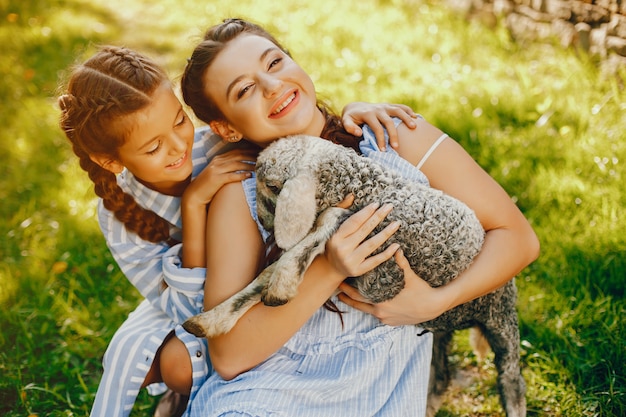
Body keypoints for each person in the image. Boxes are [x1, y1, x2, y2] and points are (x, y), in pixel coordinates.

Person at [180, 18, 540, 416]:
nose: (272, 87)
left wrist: (435, 302)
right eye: (245, 90)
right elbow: (229, 357)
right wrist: (329, 269)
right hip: (272, 389)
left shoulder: (391, 138)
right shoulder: (243, 193)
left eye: (275, 63)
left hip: (382, 387)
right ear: (226, 128)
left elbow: (518, 237)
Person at [57, 45, 420, 417]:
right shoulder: (118, 219)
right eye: (153, 148)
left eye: (179, 122)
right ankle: (187, 395)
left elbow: (296, 128)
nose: (179, 146)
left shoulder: (217, 143)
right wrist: (194, 206)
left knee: (188, 363)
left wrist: (351, 112)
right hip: (194, 308)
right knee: (166, 365)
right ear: (111, 161)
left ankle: (195, 391)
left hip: (259, 278)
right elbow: (193, 311)